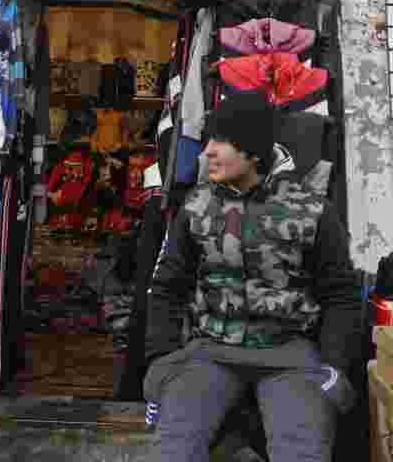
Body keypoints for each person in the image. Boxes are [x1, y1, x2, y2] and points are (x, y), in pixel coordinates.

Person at [144, 92, 360, 462]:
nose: (207, 151)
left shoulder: (312, 211)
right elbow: (167, 286)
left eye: (221, 141)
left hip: (290, 356)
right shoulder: (195, 207)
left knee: (302, 453)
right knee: (173, 449)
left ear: (254, 152)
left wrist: (335, 368)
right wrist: (162, 362)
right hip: (209, 351)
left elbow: (341, 295)